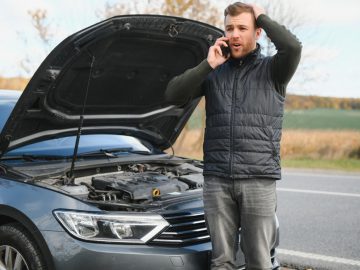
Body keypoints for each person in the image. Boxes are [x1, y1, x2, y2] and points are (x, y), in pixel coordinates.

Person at [165, 2, 301, 270]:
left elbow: (293, 47)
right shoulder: (214, 72)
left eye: (242, 28)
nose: (235, 34)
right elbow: (173, 95)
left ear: (258, 32)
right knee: (221, 261)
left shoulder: (274, 70)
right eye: (229, 28)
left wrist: (260, 13)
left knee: (259, 262)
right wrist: (208, 64)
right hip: (217, 180)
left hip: (258, 179)